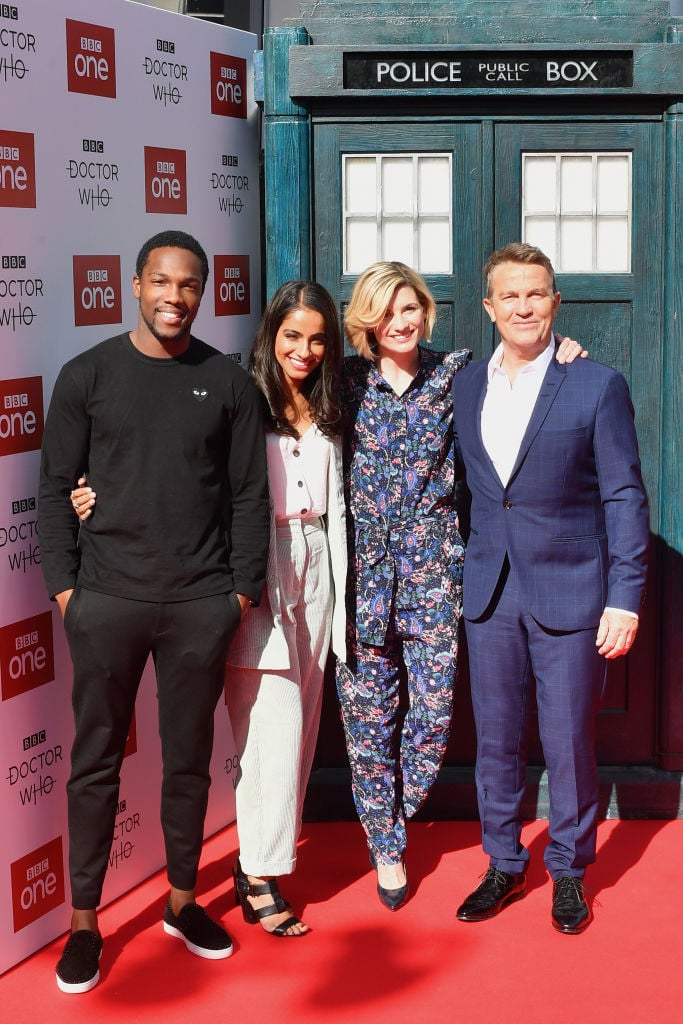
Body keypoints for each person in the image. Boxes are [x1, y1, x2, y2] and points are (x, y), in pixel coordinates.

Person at [71, 280, 348, 939]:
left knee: (299, 727)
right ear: (268, 335)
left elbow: (409, 361)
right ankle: (256, 875)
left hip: (317, 562)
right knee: (269, 728)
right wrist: (88, 494)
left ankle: (260, 863)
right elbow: (168, 462)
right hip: (251, 564)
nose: (304, 350)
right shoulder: (233, 391)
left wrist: (553, 350)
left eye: (316, 339)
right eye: (291, 336)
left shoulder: (335, 400)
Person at [39, 230, 270, 993]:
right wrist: (68, 592)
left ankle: (179, 901)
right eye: (162, 282)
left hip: (200, 604)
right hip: (107, 602)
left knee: (187, 764)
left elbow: (247, 497)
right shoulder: (87, 375)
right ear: (135, 285)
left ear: (202, 293)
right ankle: (83, 923)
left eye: (190, 286)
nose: (176, 297)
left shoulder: (229, 384)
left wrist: (236, 595)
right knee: (94, 762)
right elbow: (51, 491)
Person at [336, 261, 585, 911]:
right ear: (367, 319)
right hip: (359, 580)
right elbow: (273, 417)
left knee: (429, 723)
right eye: (387, 311)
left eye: (411, 307)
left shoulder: (457, 374)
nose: (402, 321)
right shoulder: (343, 380)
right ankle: (385, 845)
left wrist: (562, 350)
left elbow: (524, 369)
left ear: (427, 309)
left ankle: (397, 809)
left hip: (434, 579)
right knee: (366, 723)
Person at [452, 242, 649, 934]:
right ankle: (502, 863)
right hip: (489, 590)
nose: (523, 306)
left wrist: (624, 595)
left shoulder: (595, 384)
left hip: (572, 590)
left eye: (536, 294)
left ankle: (567, 869)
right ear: (488, 307)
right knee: (496, 740)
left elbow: (624, 495)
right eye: (509, 295)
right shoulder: (465, 384)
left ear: (555, 302)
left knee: (568, 741)